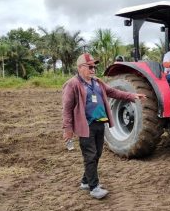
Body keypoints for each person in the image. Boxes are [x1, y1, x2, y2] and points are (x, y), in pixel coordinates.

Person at [62, 53, 146, 199]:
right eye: (90, 66)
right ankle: (94, 188)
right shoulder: (73, 84)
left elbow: (113, 92)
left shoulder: (97, 82)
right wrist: (67, 129)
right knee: (90, 155)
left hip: (100, 124)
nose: (93, 69)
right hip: (86, 126)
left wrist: (132, 96)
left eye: (94, 66)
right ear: (81, 68)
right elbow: (67, 108)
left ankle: (85, 181)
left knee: (97, 154)